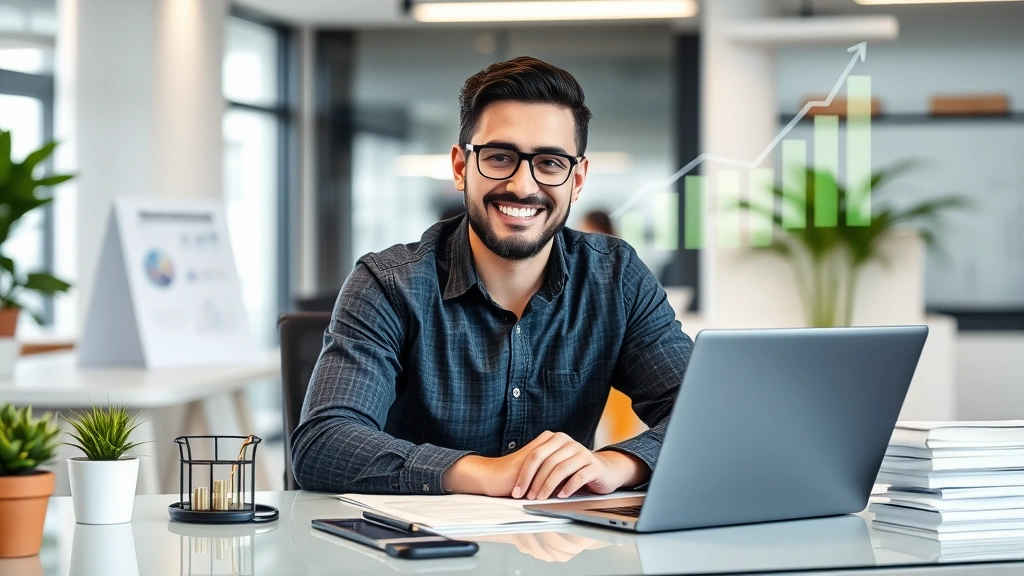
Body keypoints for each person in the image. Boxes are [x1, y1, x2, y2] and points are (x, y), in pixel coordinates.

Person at [292, 57, 693, 500]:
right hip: (412, 558)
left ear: (576, 179)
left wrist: (615, 465)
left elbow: (706, 416)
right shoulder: (388, 285)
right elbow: (323, 444)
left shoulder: (616, 279)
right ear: (461, 167)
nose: (523, 186)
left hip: (562, 552)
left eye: (550, 163)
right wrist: (484, 473)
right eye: (500, 157)